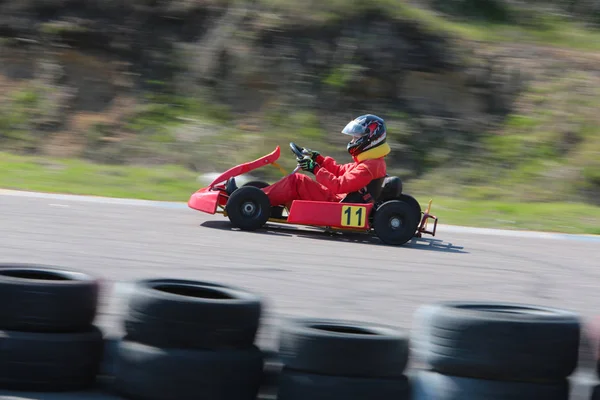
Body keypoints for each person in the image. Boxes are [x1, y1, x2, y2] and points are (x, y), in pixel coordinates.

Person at [260, 114, 391, 209]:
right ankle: (260, 197)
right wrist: (318, 159)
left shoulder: (369, 167)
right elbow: (340, 171)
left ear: (371, 139)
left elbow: (339, 185)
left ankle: (257, 201)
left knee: (297, 181)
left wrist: (315, 169)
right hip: (340, 197)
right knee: (296, 182)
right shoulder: (371, 162)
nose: (352, 142)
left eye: (355, 138)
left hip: (338, 203)